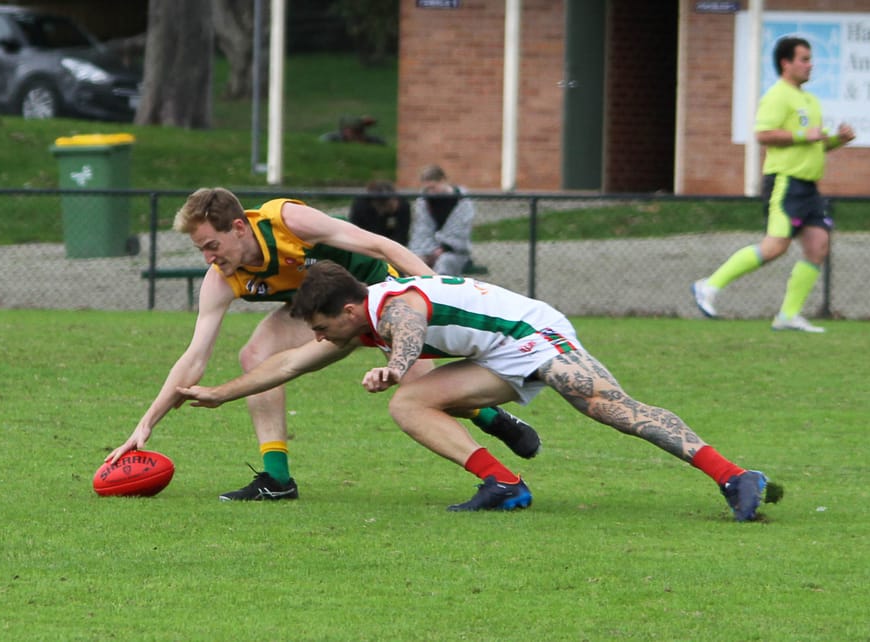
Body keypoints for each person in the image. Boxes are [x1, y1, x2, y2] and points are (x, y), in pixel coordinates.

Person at [178, 260, 784, 521]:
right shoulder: (354, 326)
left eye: (320, 326)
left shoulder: (392, 303)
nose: (317, 336)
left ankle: (735, 476)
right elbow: (283, 366)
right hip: (495, 355)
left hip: (536, 335)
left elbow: (411, 326)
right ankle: (504, 484)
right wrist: (218, 394)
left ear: (343, 308)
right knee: (411, 402)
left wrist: (397, 364)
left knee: (614, 410)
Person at [106, 188, 541, 501]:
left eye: (212, 245)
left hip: (378, 293)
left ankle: (488, 416)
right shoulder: (223, 277)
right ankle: (277, 479)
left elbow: (377, 243)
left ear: (239, 227)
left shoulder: (288, 222)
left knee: (418, 389)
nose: (209, 257)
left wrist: (431, 290)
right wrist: (144, 426)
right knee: (255, 356)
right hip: (318, 312)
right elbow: (194, 357)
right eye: (200, 249)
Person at [692, 36, 856, 332]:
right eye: (804, 59)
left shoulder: (810, 100)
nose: (810, 65)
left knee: (818, 245)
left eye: (810, 59)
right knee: (774, 247)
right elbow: (763, 134)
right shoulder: (777, 96)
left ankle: (787, 316)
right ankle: (709, 285)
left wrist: (837, 140)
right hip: (786, 184)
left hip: (809, 188)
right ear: (786, 63)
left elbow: (814, 145)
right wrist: (802, 136)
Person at [409, 164, 475, 276]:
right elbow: (422, 229)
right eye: (427, 189)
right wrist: (428, 250)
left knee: (444, 263)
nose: (430, 192)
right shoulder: (424, 202)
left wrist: (444, 248)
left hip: (454, 252)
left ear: (443, 181)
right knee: (413, 262)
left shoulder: (462, 201)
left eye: (433, 187)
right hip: (428, 249)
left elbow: (460, 230)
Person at [347, 180, 411, 246]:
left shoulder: (403, 205)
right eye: (389, 204)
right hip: (367, 242)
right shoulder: (361, 205)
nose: (395, 204)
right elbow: (356, 230)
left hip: (391, 243)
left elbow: (402, 234)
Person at [319, 115, 386, 145]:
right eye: (355, 132)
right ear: (345, 131)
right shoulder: (333, 138)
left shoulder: (370, 140)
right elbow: (321, 142)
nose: (359, 135)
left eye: (361, 131)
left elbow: (383, 144)